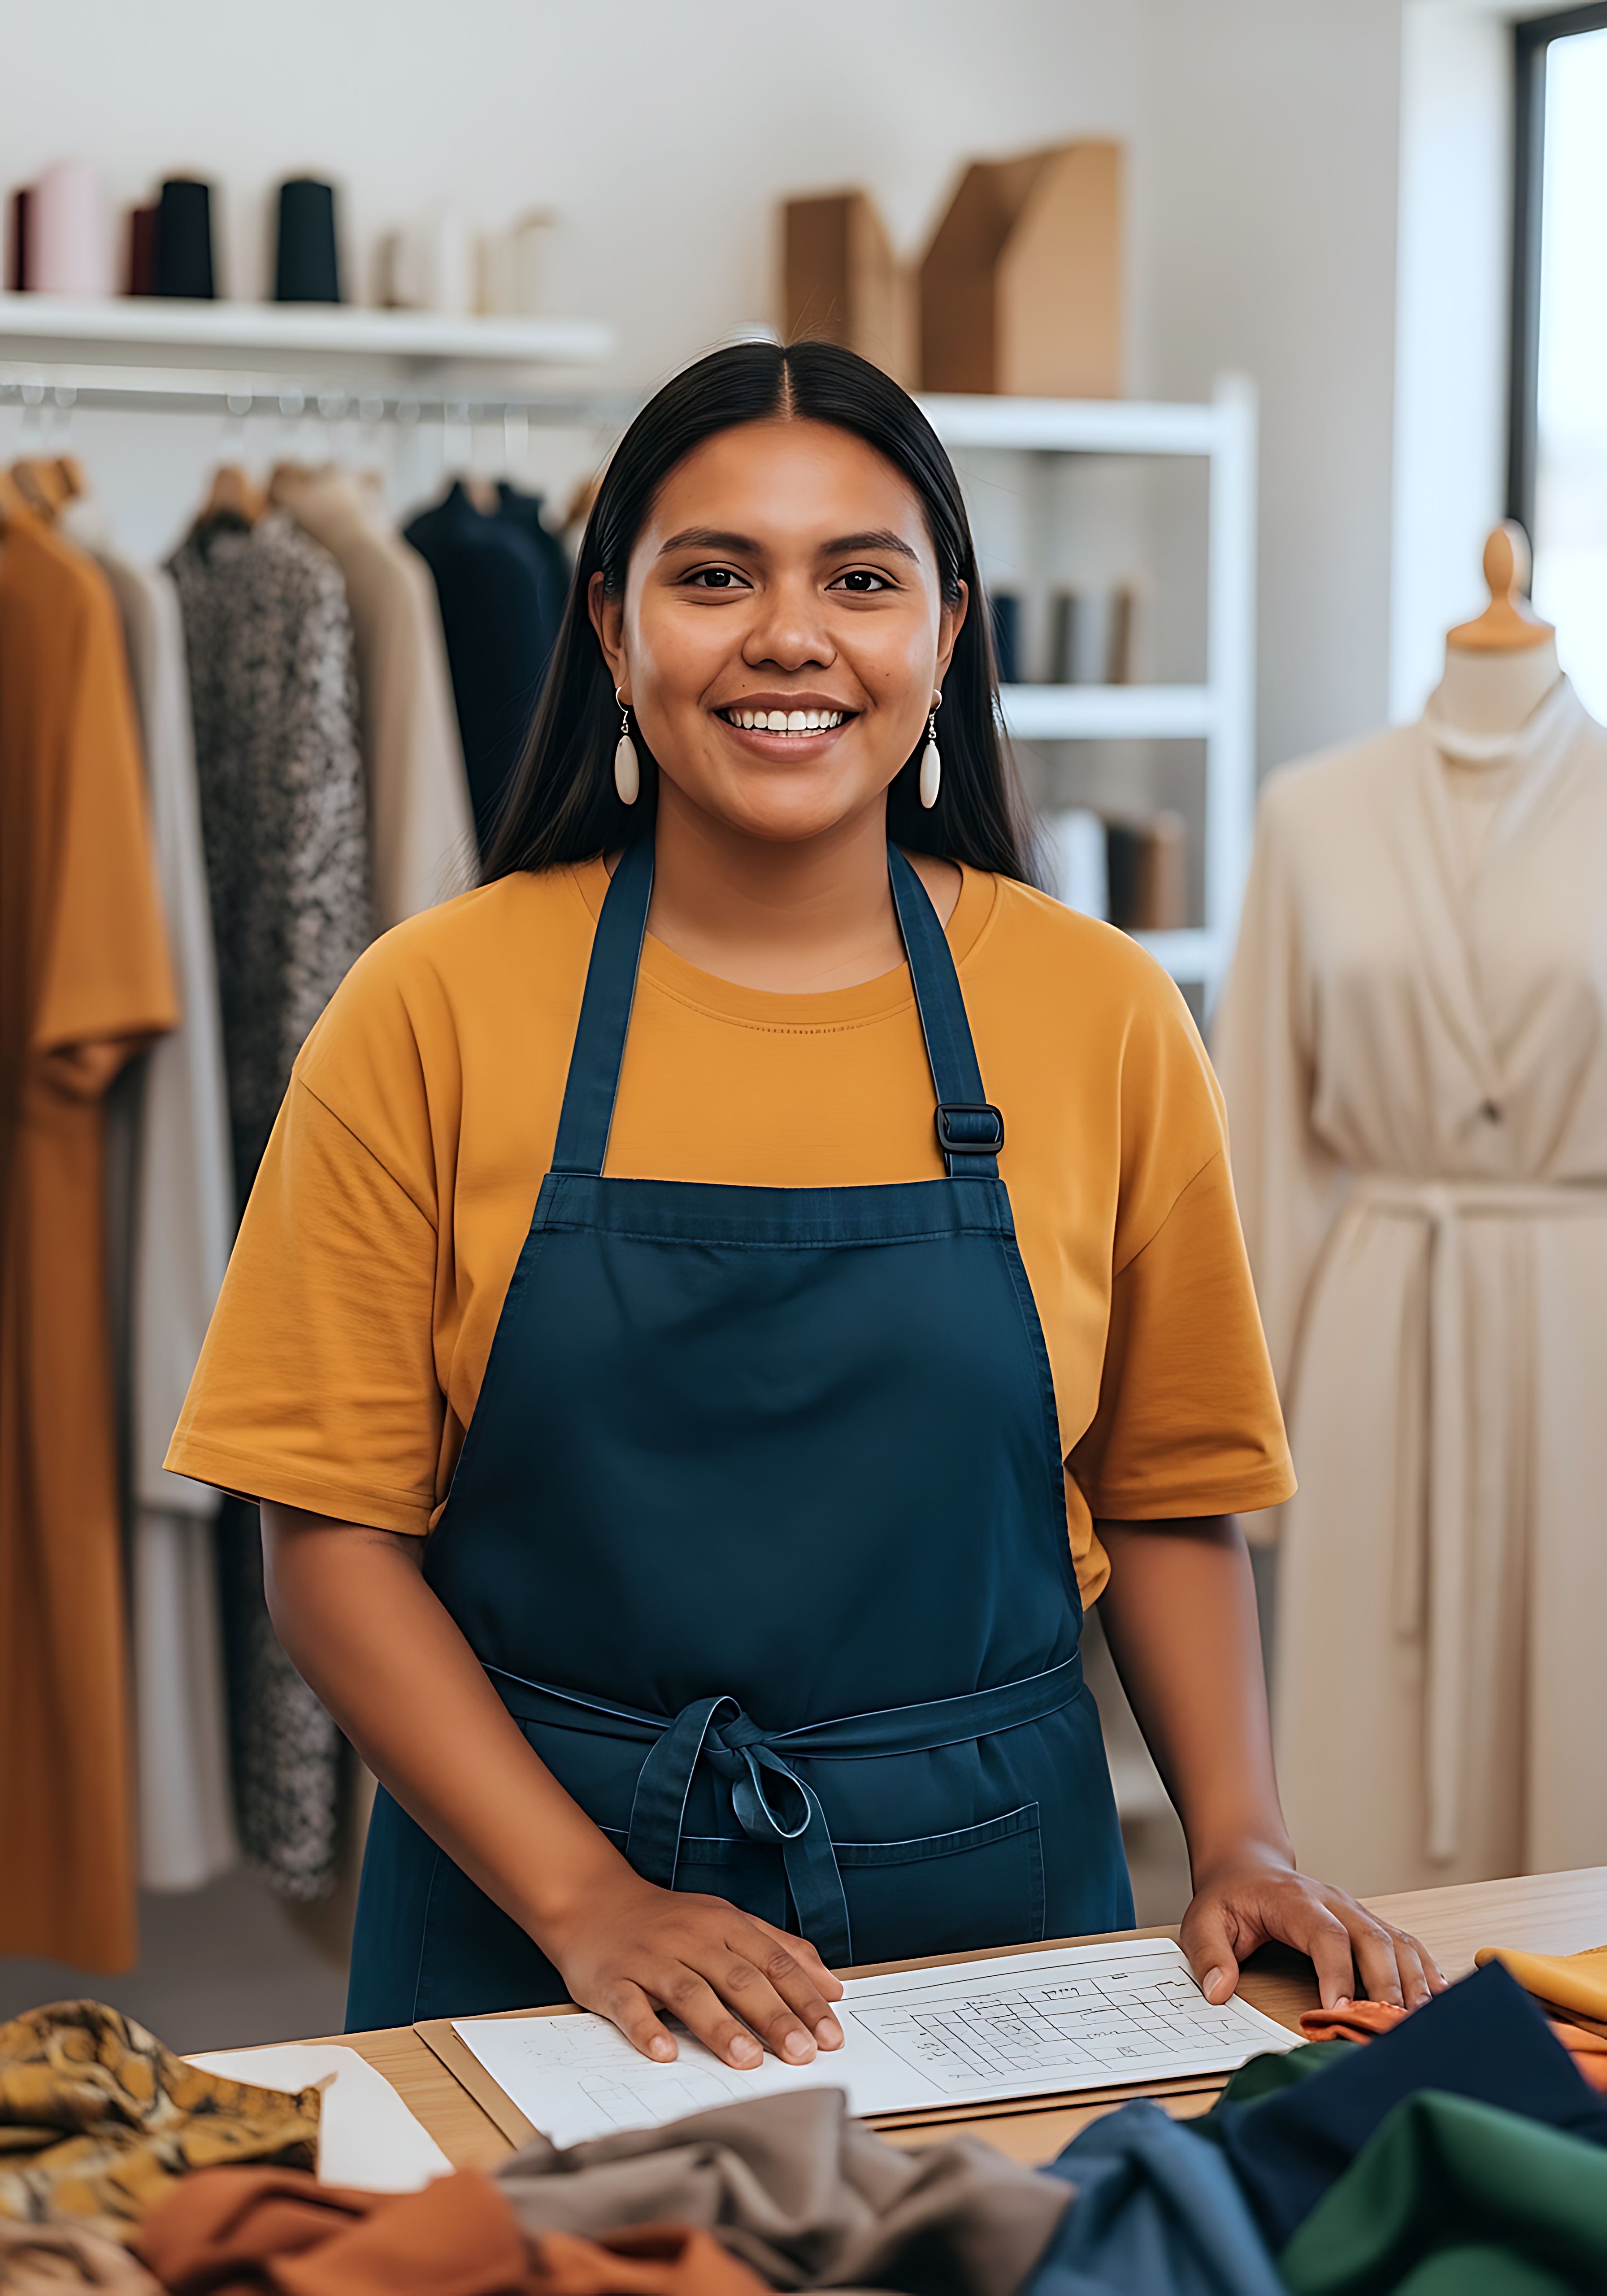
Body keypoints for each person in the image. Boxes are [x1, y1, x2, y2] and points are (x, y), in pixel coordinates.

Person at [168, 341, 1441, 2070]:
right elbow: (327, 1540)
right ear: (613, 631)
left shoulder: (1106, 1014)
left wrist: (1244, 1843)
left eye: (860, 577)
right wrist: (587, 1902)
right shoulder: (429, 1007)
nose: (790, 635)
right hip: (531, 1920)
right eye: (716, 576)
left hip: (1001, 1916)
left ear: (947, 630)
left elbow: (1167, 1491)